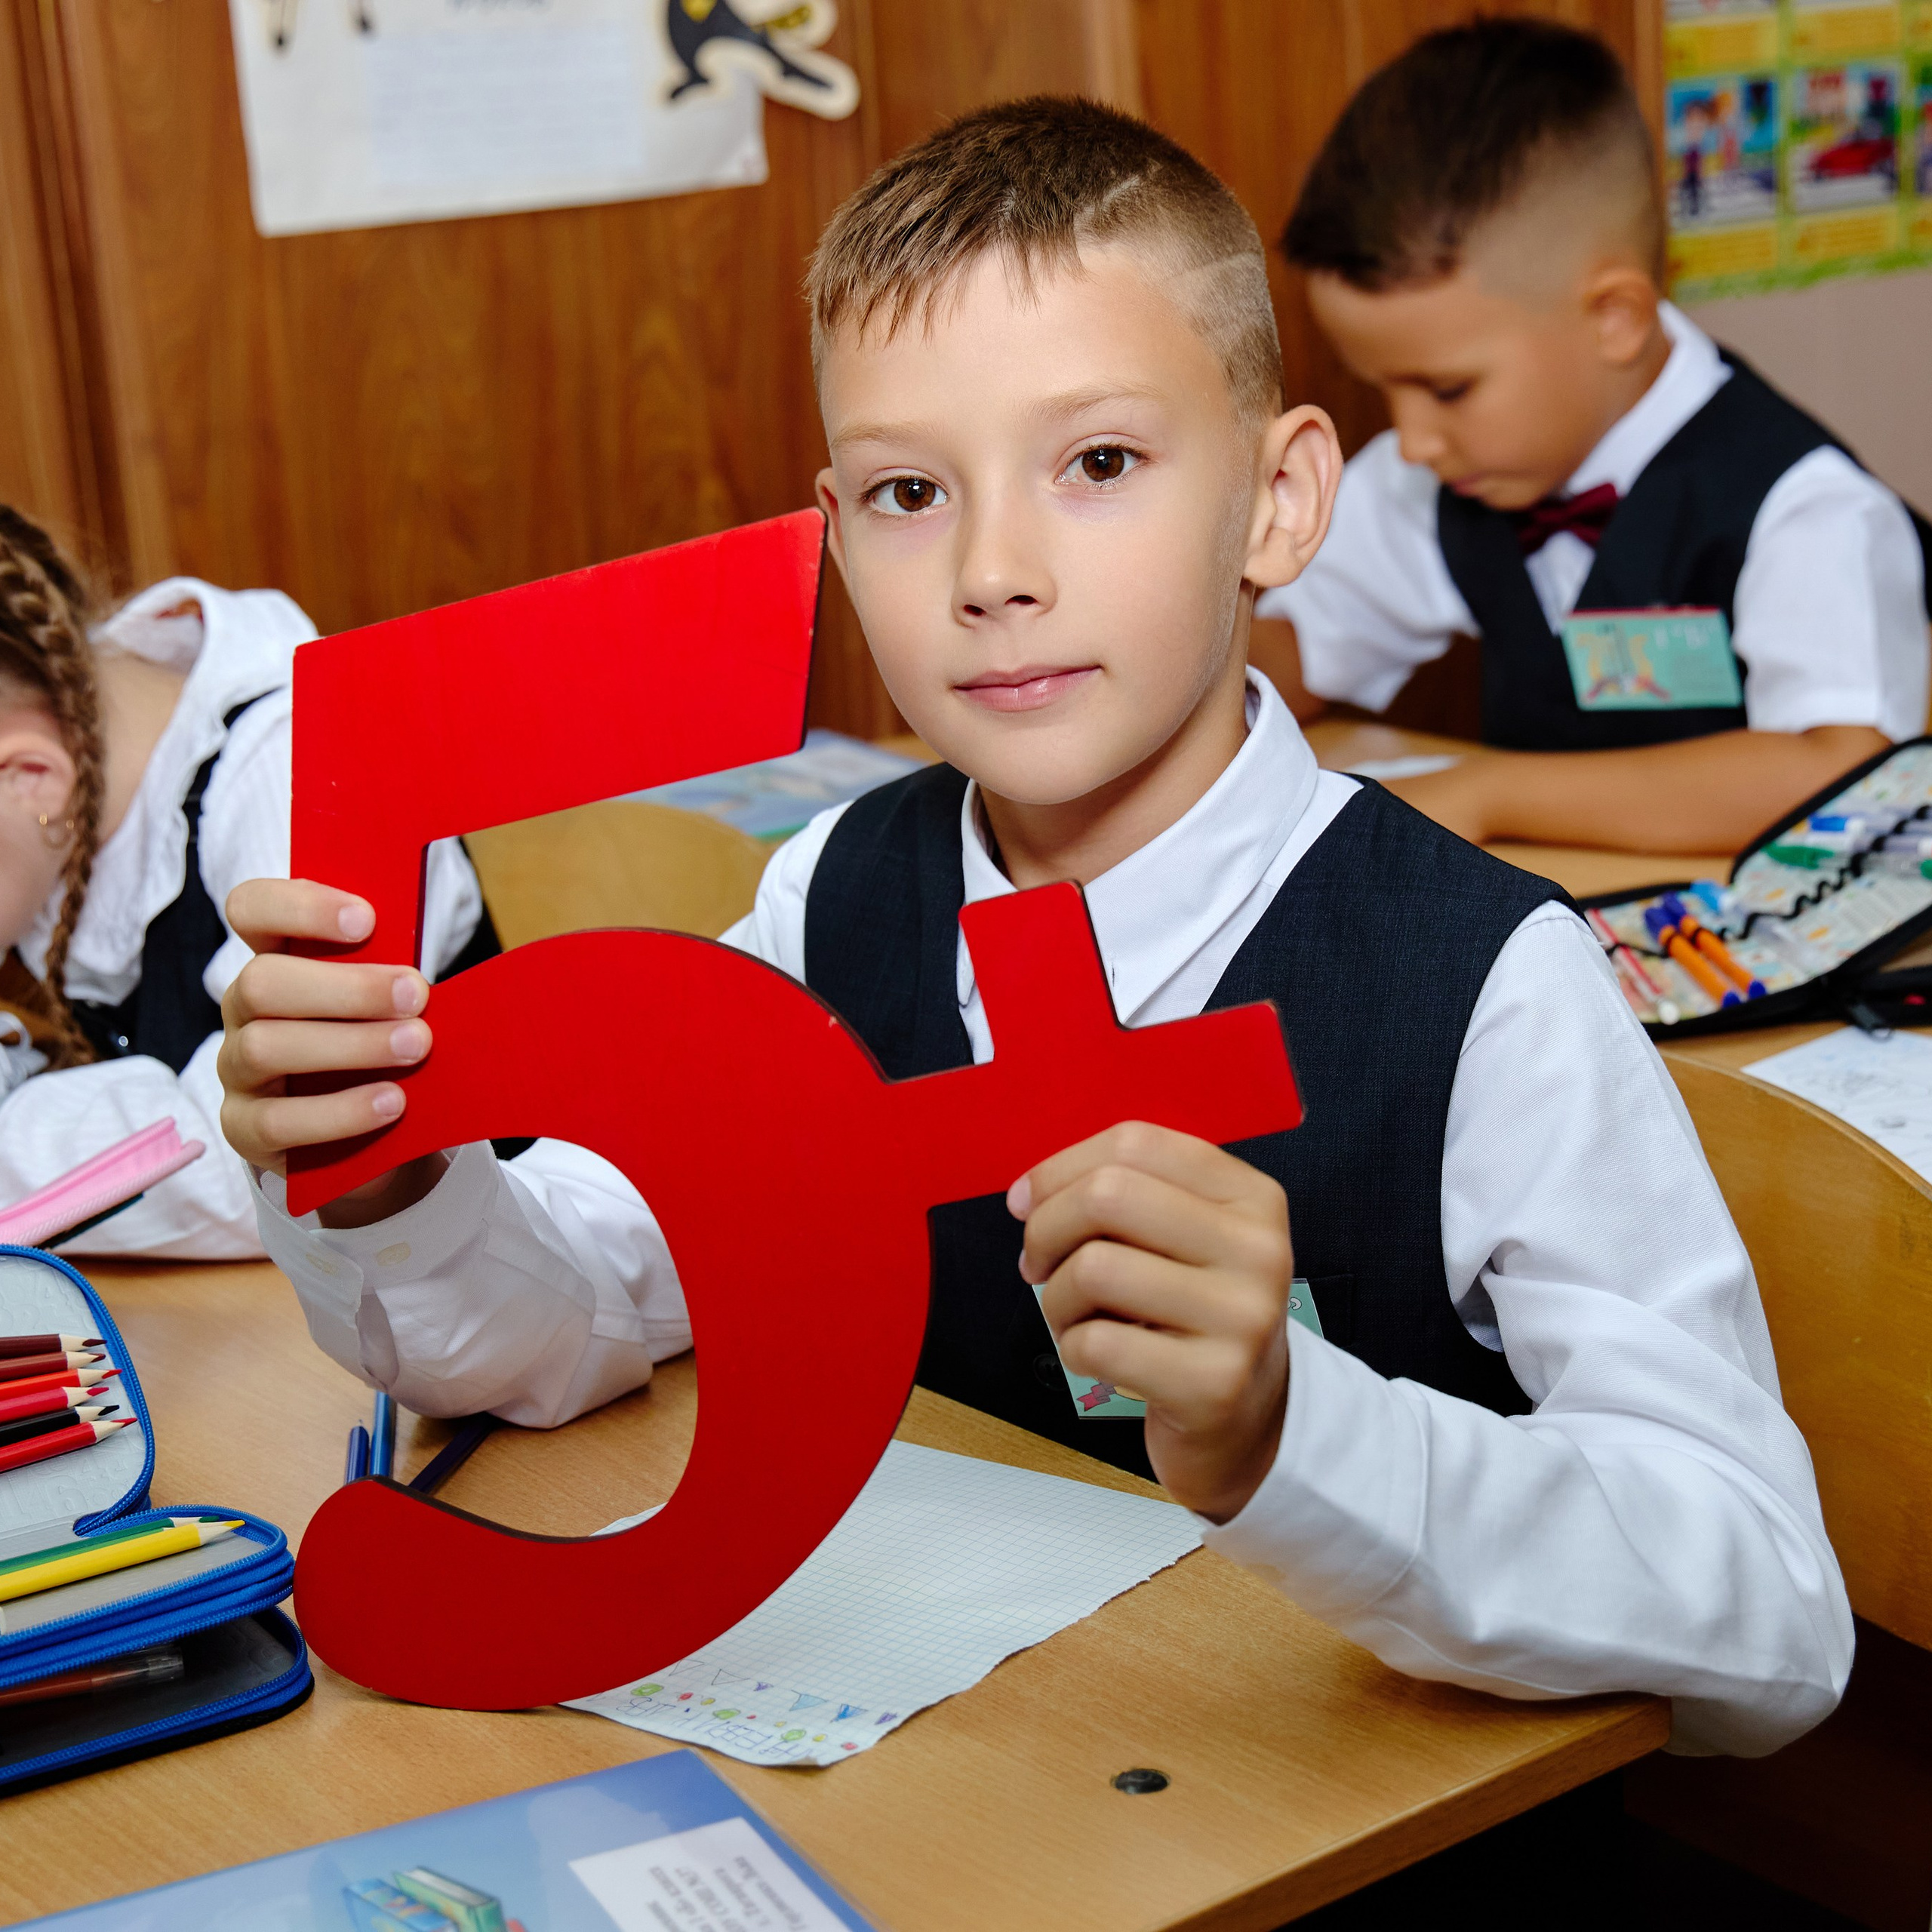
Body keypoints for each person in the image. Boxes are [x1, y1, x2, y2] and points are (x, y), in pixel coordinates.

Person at [217, 97, 1847, 1761]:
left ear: (1283, 502)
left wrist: (1298, 1427)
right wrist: (399, 1176)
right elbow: (571, 1320)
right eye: (908, 490)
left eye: (1097, 463)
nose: (992, 569)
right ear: (835, 536)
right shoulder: (836, 898)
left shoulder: (1484, 980)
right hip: (973, 1780)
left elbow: (1772, 1618)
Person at [1252, 18, 1930, 854]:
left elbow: (1840, 773)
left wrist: (1490, 794)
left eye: (1446, 388)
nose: (1413, 438)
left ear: (1613, 320)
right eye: (1382, 388)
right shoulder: (1437, 472)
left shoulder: (1805, 511)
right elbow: (1296, 645)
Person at [0, 507, 484, 1258]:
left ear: (32, 777)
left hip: (467, 1286)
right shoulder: (56, 800)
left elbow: (283, 1155)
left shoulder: (299, 770)